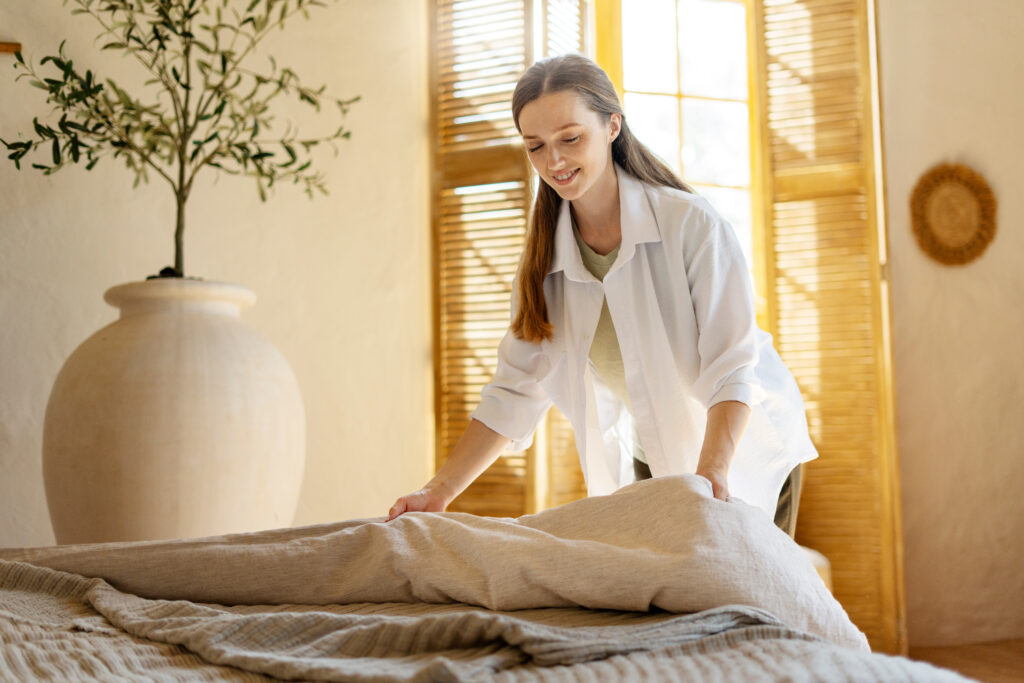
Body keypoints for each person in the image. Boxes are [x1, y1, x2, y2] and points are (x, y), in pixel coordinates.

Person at [388, 53, 818, 537]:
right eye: (536, 146)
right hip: (652, 449)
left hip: (743, 448)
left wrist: (713, 474)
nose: (554, 161)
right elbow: (514, 391)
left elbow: (731, 368)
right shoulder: (542, 262)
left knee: (744, 600)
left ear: (612, 125)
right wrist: (438, 491)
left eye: (571, 138)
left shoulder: (691, 224)